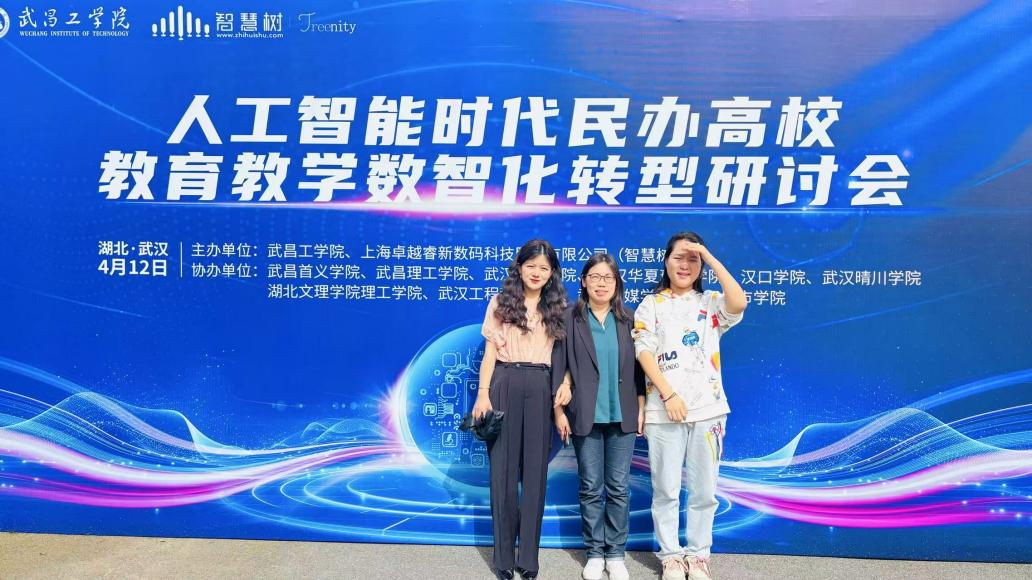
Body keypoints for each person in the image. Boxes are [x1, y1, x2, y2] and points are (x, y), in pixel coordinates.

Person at [632, 232, 747, 580]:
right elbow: (643, 352)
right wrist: (669, 395)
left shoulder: (710, 302)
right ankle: (671, 556)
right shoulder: (651, 304)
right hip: (663, 410)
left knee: (704, 491)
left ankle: (698, 556)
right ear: (666, 261)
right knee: (665, 490)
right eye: (678, 257)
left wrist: (708, 256)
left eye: (692, 259)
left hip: (709, 411)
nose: (685, 265)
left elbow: (739, 302)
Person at [473, 239, 567, 580]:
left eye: (544, 268)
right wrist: (483, 394)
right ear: (519, 267)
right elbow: (490, 353)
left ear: (552, 272)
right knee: (502, 474)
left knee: (535, 476)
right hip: (505, 380)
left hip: (542, 385)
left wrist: (564, 388)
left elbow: (564, 356)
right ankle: (502, 558)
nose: (536, 273)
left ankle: (528, 559)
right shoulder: (501, 302)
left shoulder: (559, 307)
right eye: (531, 266)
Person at [553, 253, 645, 580]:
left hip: (623, 414)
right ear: (584, 281)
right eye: (595, 276)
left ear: (617, 282)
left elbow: (640, 369)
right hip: (585, 414)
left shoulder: (630, 319)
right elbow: (559, 365)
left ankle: (615, 553)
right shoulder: (569, 318)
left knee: (618, 487)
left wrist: (642, 405)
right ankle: (594, 552)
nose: (601, 283)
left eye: (608, 277)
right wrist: (558, 410)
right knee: (591, 487)